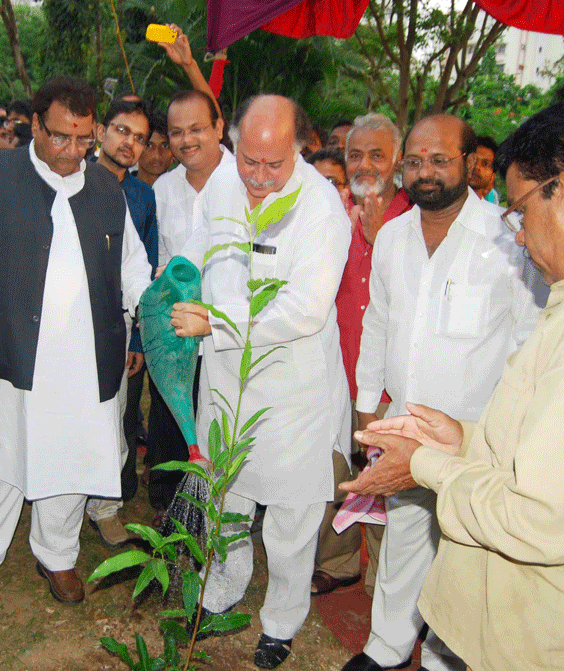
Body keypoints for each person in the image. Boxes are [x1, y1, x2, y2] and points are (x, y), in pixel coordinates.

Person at [345, 87, 564, 671]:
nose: (519, 235)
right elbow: (557, 448)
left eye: (522, 210)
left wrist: (425, 465)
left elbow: (533, 520)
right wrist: (467, 441)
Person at [0, 75, 151, 617]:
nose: (72, 152)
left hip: (84, 359)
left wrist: (153, 312)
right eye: (59, 137)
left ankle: (57, 555)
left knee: (71, 460)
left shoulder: (108, 189)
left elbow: (133, 270)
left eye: (83, 141)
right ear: (34, 125)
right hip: (6, 349)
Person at [340, 114, 543, 671]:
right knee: (405, 535)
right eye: (414, 160)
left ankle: (442, 658)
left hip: (478, 436)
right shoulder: (394, 236)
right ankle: (384, 647)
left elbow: (528, 336)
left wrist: (512, 430)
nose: (424, 171)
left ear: (471, 162)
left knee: (468, 551)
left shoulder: (510, 239)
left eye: (439, 159)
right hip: (405, 424)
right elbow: (379, 321)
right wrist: (367, 402)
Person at [172, 94, 351, 670]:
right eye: (249, 160)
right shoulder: (224, 185)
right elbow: (199, 253)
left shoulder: (321, 208)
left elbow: (306, 311)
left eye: (273, 165)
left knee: (291, 519)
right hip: (226, 378)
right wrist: (180, 289)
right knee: (227, 494)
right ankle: (220, 589)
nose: (257, 176)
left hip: (291, 388)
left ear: (298, 148)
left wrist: (218, 324)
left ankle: (280, 622)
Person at [311, 113, 412, 599]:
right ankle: (340, 561)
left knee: (389, 481)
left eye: (377, 154)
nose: (365, 164)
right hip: (336, 372)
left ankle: (385, 582)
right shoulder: (329, 213)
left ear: (396, 159)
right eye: (355, 154)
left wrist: (378, 240)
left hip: (393, 384)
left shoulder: (416, 217)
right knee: (338, 474)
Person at [145, 87, 232, 521]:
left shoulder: (244, 182)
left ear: (219, 127)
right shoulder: (162, 189)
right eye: (176, 132)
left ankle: (222, 506)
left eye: (197, 128)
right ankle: (167, 504)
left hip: (226, 330)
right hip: (175, 330)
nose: (186, 140)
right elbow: (158, 257)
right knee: (169, 414)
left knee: (221, 419)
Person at [85, 97, 158, 547]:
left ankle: (105, 509)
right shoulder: (73, 178)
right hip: (70, 326)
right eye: (122, 131)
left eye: (140, 138)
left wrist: (138, 337)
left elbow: (142, 267)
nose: (129, 143)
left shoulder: (142, 196)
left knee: (115, 421)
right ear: (100, 130)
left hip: (119, 326)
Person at [136, 111, 171, 186]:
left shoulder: (185, 193)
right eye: (148, 145)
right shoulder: (120, 191)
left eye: (164, 146)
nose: (157, 155)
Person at [467, 135, 498, 202]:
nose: (477, 167)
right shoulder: (441, 207)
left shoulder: (492, 212)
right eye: (473, 160)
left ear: (492, 176)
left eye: (485, 164)